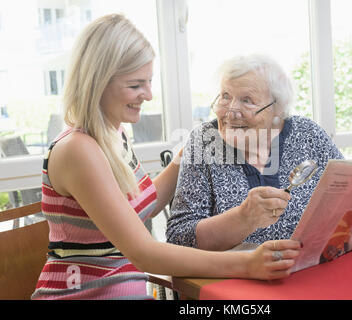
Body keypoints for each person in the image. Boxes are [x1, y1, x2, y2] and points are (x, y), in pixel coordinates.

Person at [31, 15, 300, 300]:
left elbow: (136, 207)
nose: (147, 95)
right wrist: (248, 263)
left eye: (148, 82)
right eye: (135, 85)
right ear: (97, 83)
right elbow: (144, 254)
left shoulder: (113, 134)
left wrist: (186, 156)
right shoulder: (78, 150)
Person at [166, 54, 352, 251]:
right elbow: (178, 238)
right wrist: (242, 219)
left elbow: (350, 208)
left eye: (247, 100)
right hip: (237, 287)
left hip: (314, 276)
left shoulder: (307, 133)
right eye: (225, 97)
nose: (230, 112)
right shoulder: (204, 142)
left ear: (277, 109)